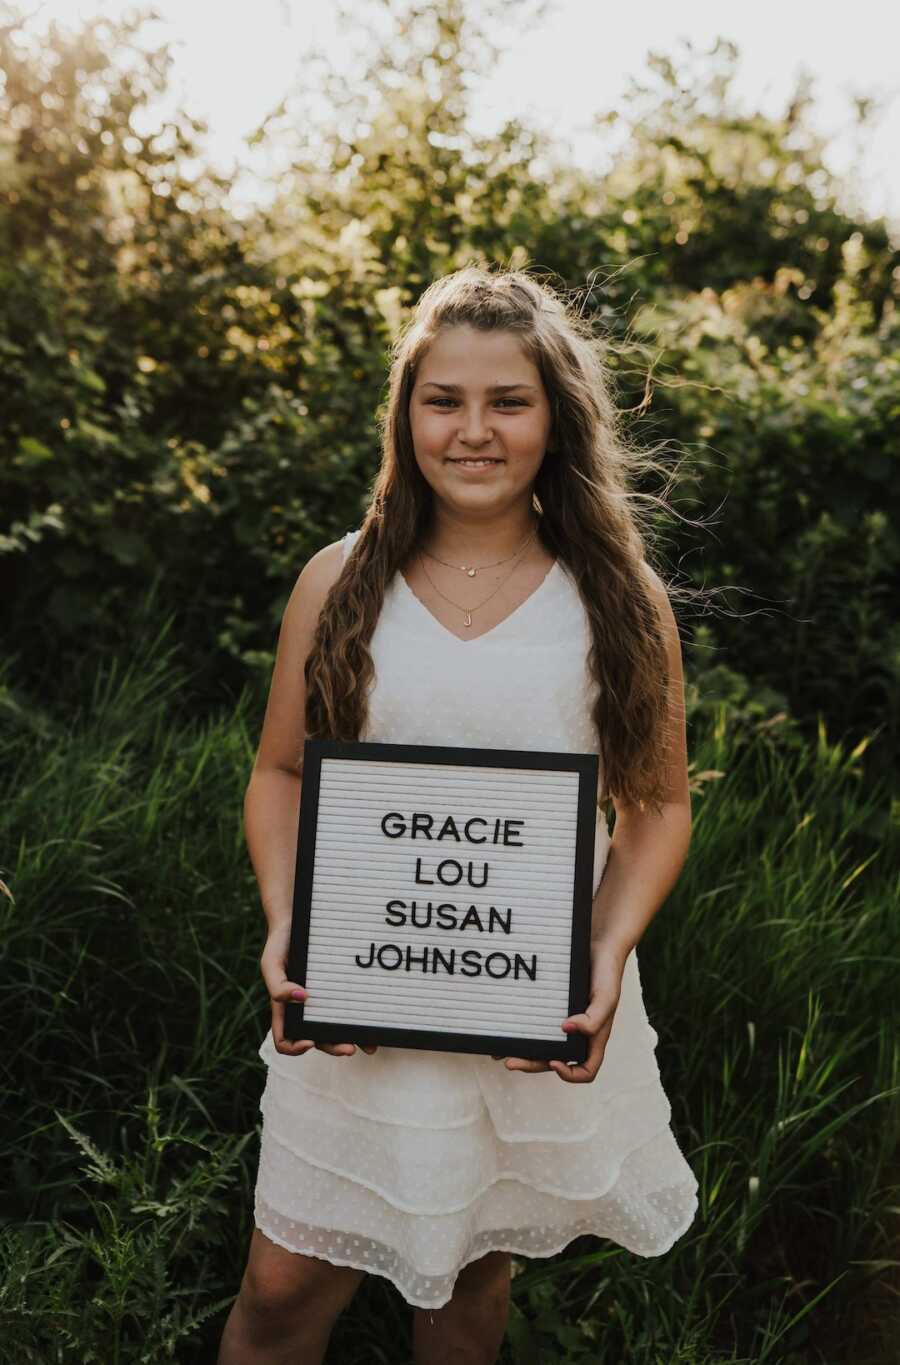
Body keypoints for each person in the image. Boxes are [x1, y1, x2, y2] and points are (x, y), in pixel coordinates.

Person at [217, 263, 700, 1365]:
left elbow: (659, 806)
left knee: (472, 1287)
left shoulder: (619, 600)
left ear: (557, 420)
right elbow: (280, 775)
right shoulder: (337, 581)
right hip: (353, 1002)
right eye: (445, 400)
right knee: (283, 1286)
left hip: (521, 1008)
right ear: (407, 414)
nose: (473, 430)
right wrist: (289, 921)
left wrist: (606, 952)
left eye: (508, 402)